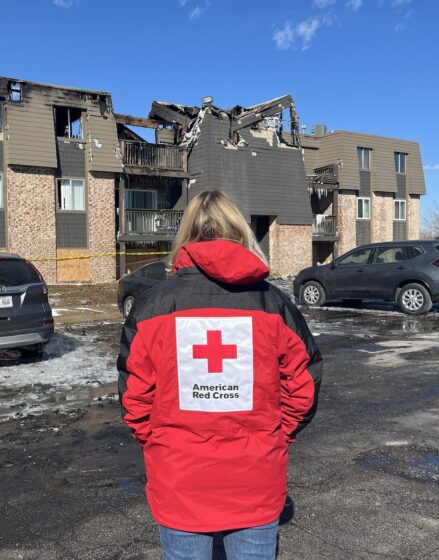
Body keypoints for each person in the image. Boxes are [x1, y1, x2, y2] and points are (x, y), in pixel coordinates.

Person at [117, 190, 322, 560]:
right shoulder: (273, 304)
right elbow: (303, 386)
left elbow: (134, 397)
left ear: (185, 235)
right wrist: (275, 435)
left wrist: (160, 444)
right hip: (255, 478)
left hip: (179, 479)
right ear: (240, 231)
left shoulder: (154, 306)